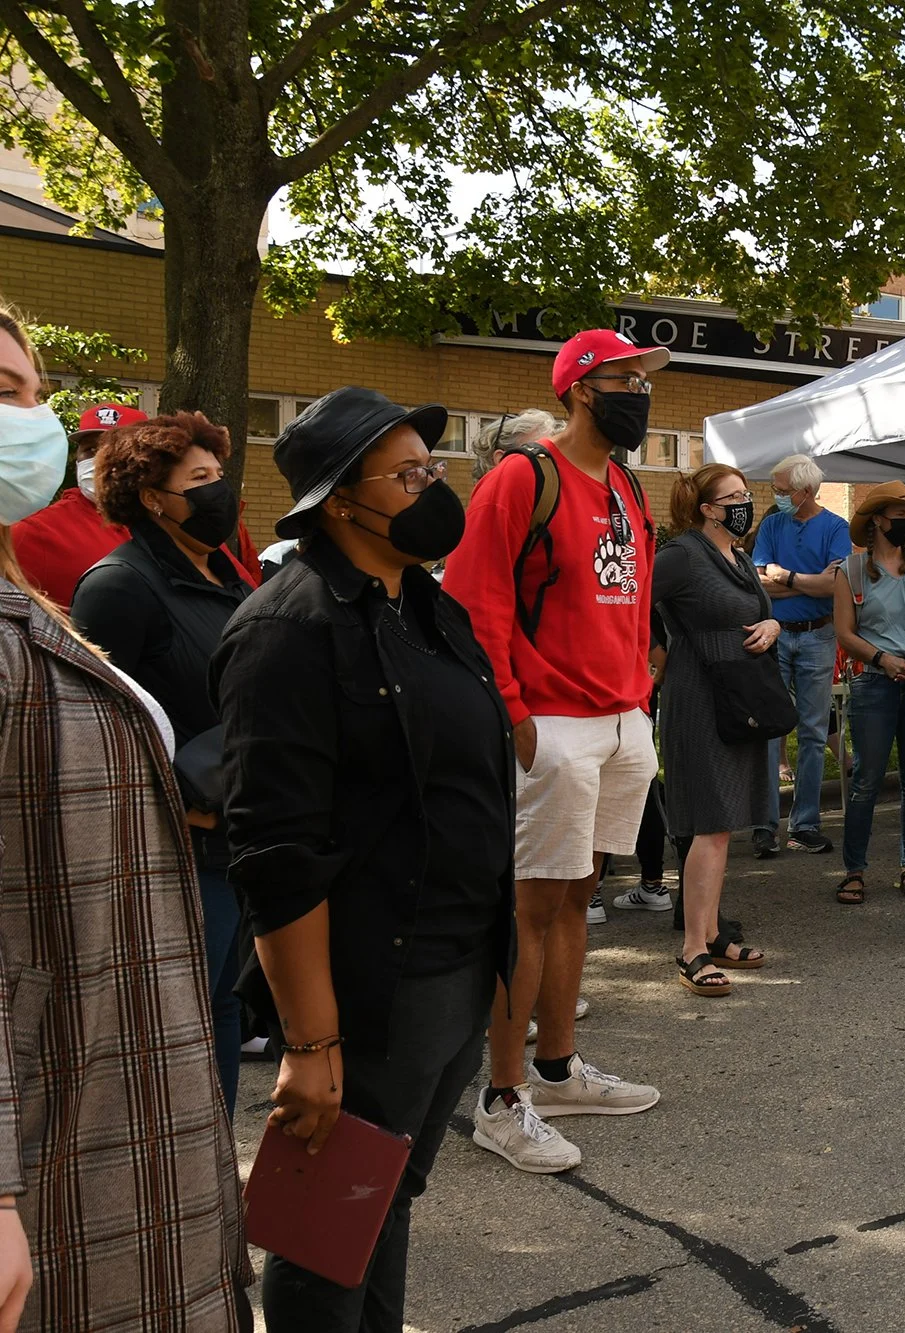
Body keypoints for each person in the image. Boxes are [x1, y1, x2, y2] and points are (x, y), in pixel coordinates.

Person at [214, 386, 521, 1322]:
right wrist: (310, 1042)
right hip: (370, 990)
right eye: (411, 473)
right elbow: (276, 850)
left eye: (434, 468)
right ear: (341, 498)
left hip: (458, 967)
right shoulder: (286, 631)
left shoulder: (428, 606)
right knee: (322, 1234)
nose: (436, 488)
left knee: (383, 1208)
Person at [0, 301, 247, 1330]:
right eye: (2, 395)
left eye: (26, 391)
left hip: (122, 1114)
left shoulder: (26, 601)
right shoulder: (113, 586)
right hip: (57, 1151)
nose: (28, 416)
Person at [445, 328, 665, 1173]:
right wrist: (514, 711)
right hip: (550, 722)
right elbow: (474, 603)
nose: (639, 394)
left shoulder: (628, 484)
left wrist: (638, 690)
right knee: (527, 909)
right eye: (623, 380)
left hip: (618, 717)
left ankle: (558, 1065)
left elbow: (635, 597)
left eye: (643, 381)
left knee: (579, 894)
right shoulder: (521, 477)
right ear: (579, 387)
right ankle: (501, 1100)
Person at [70, 412, 254, 1115]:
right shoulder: (119, 587)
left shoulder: (224, 571)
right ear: (152, 496)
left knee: (225, 1015)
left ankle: (213, 1185)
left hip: (237, 835)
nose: (220, 491)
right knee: (174, 1030)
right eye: (199, 480)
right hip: (177, 846)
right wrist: (181, 801)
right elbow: (99, 728)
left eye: (218, 475)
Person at [655, 463, 778, 991]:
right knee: (709, 822)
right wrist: (655, 661)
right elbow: (630, 607)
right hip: (698, 697)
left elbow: (763, 611)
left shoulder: (740, 556)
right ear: (707, 508)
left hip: (737, 698)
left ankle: (712, 934)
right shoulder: (681, 555)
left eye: (746, 494)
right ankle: (692, 950)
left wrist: (772, 624)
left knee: (723, 824)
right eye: (733, 497)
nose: (744, 503)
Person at [832, 482, 905, 904]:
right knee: (866, 781)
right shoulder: (850, 570)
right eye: (900, 514)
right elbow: (845, 633)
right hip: (874, 684)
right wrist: (884, 660)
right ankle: (854, 870)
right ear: (877, 519)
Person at [751, 453, 850, 857]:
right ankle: (764, 824)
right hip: (774, 636)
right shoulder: (772, 524)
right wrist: (810, 584)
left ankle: (805, 824)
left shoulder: (835, 527)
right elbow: (757, 582)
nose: (775, 495)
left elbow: (835, 586)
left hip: (817, 636)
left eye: (781, 489)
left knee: (812, 732)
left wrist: (786, 577)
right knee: (770, 731)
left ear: (805, 491)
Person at [8, 400, 145, 609]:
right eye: (90, 449)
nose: (100, 460)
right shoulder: (35, 533)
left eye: (116, 449)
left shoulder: (178, 520)